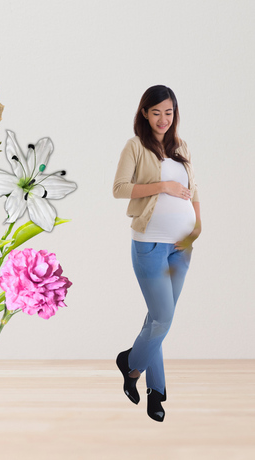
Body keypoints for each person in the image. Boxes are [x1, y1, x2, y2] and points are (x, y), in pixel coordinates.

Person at [112, 85, 202, 422]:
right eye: (156, 112)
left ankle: (154, 391)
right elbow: (119, 188)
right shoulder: (135, 146)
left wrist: (197, 226)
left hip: (182, 249)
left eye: (169, 112)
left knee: (156, 321)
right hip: (149, 244)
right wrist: (163, 186)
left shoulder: (181, 147)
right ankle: (133, 367)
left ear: (174, 114)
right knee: (162, 319)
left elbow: (194, 189)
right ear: (145, 114)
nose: (163, 119)